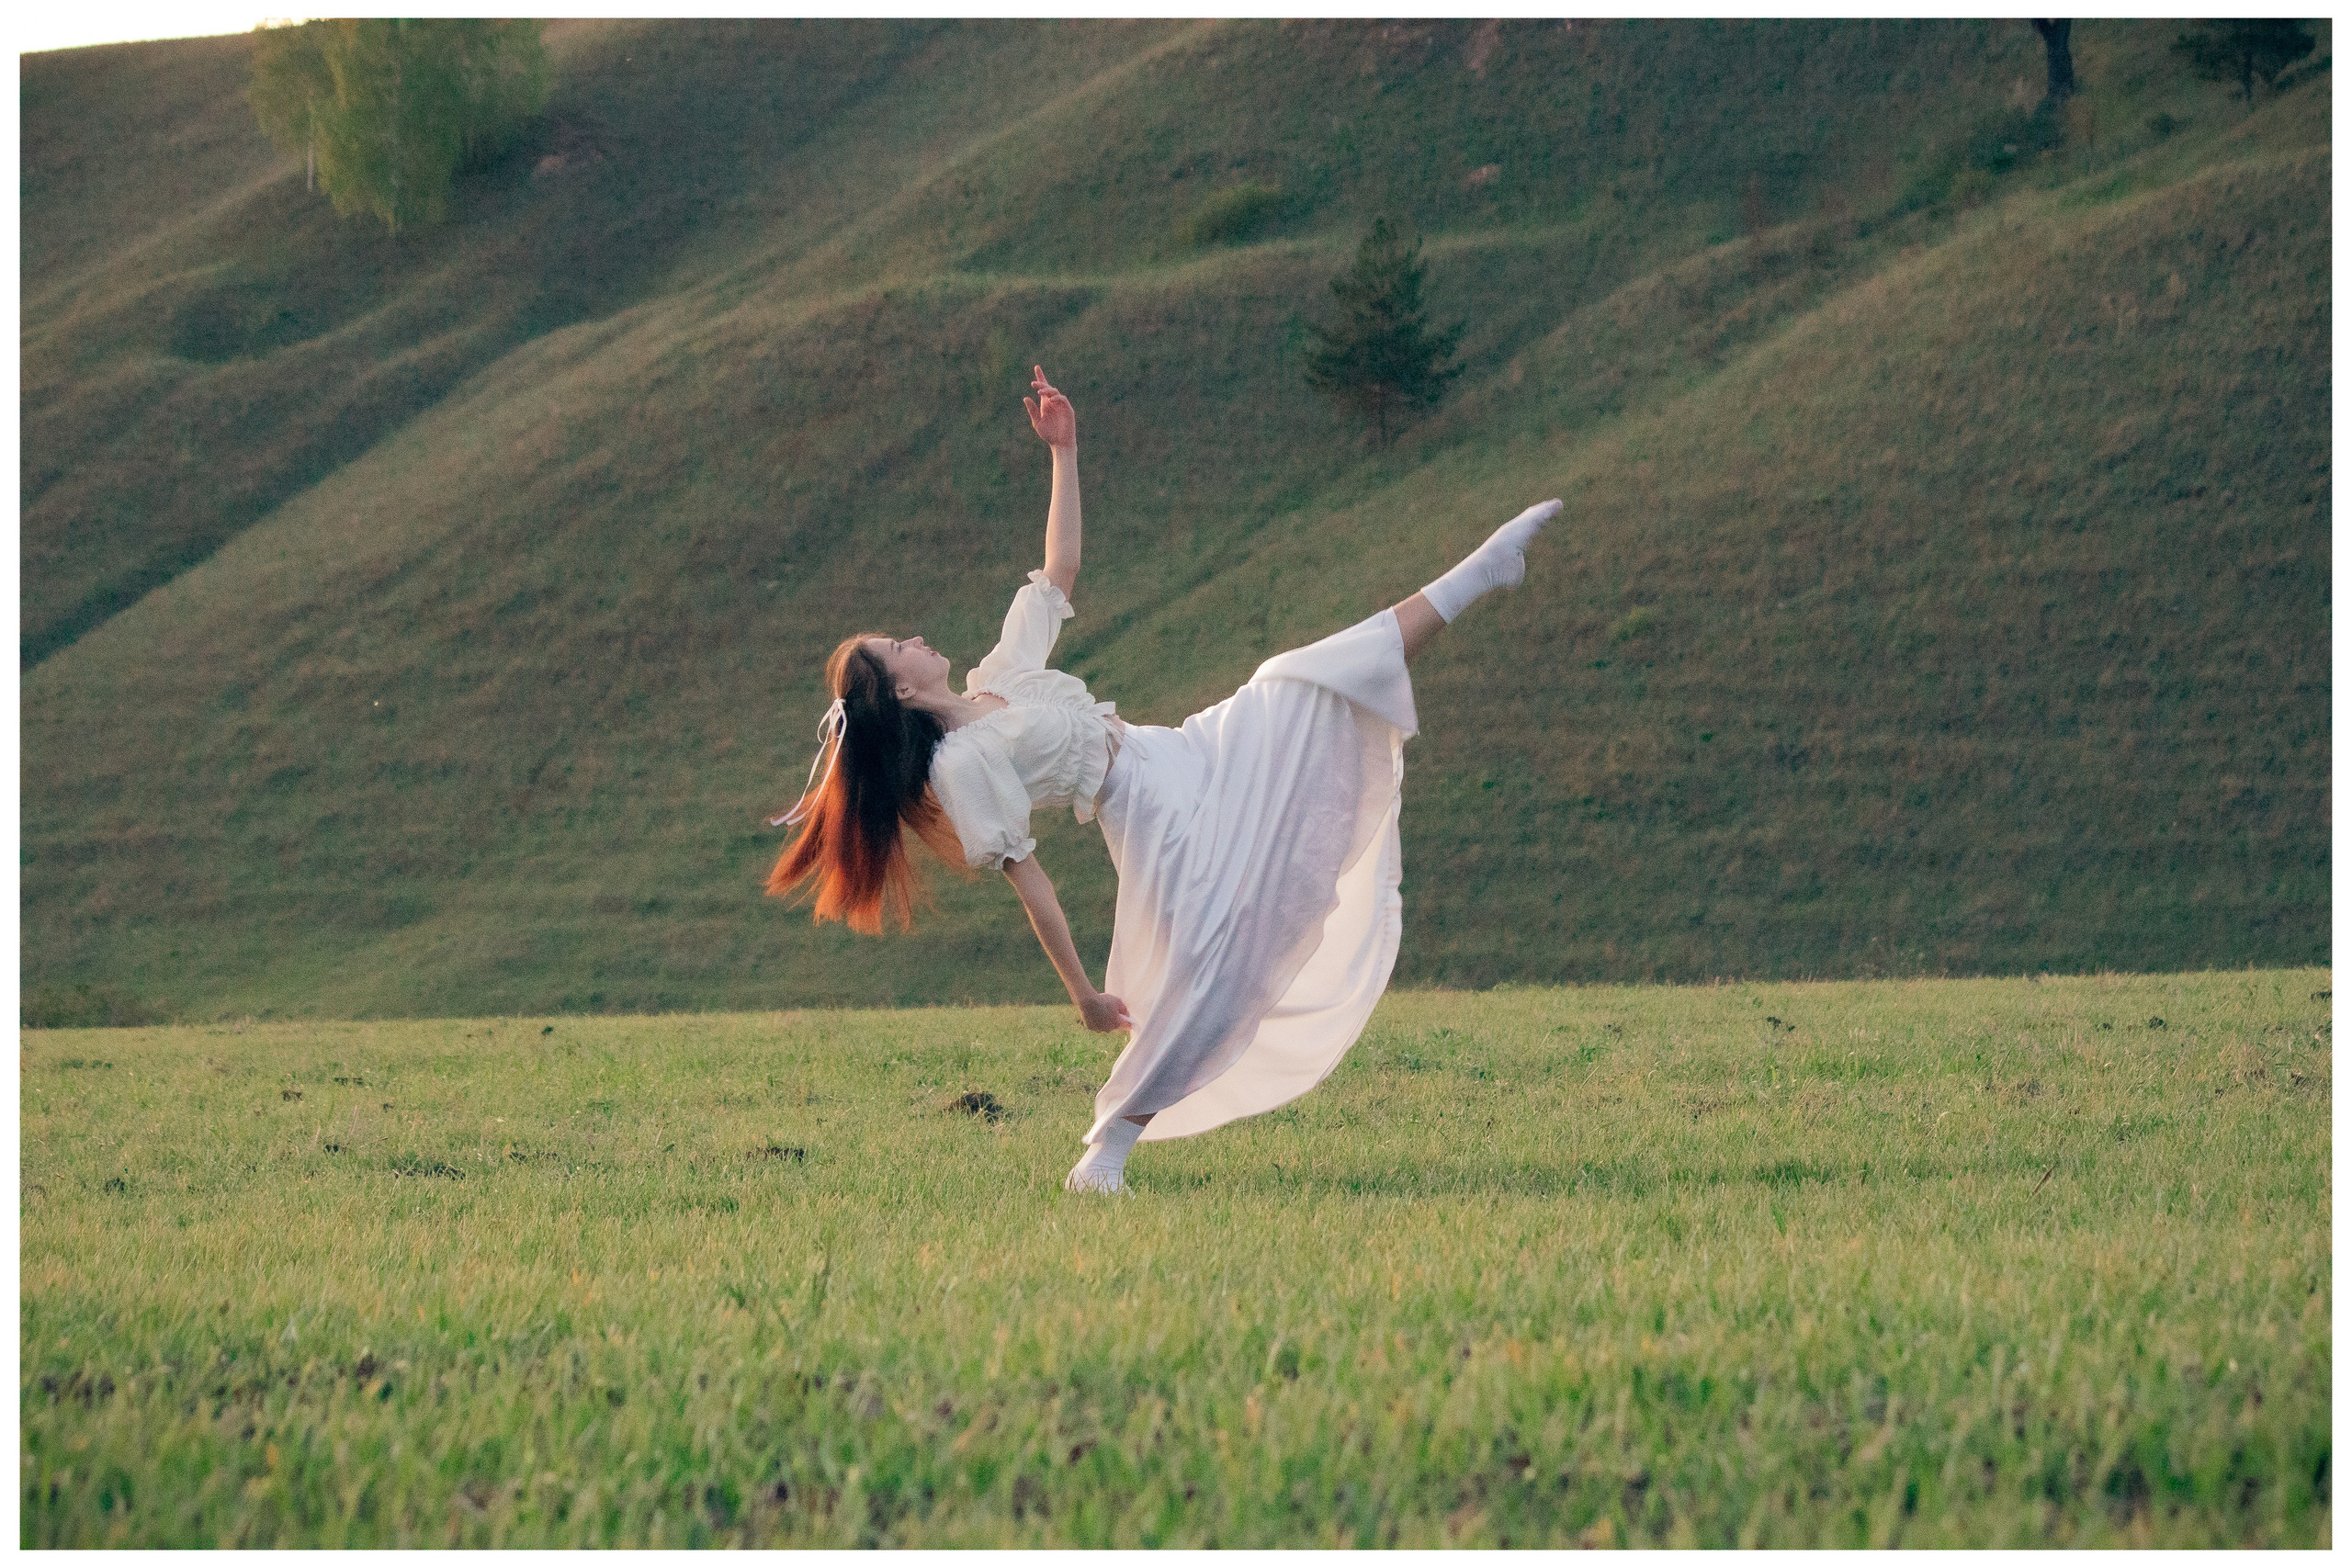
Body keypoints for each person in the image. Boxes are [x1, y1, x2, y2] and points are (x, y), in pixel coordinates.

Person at [768, 366, 1557, 1193]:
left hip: (1175, 753)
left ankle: (1479, 573)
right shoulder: (961, 764)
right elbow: (1029, 880)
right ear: (900, 690)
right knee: (1215, 967)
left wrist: (1064, 452)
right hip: (1147, 809)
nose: (916, 639)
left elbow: (1060, 569)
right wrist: (1083, 993)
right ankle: (1107, 1150)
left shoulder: (998, 674)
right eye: (899, 647)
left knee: (1293, 681)